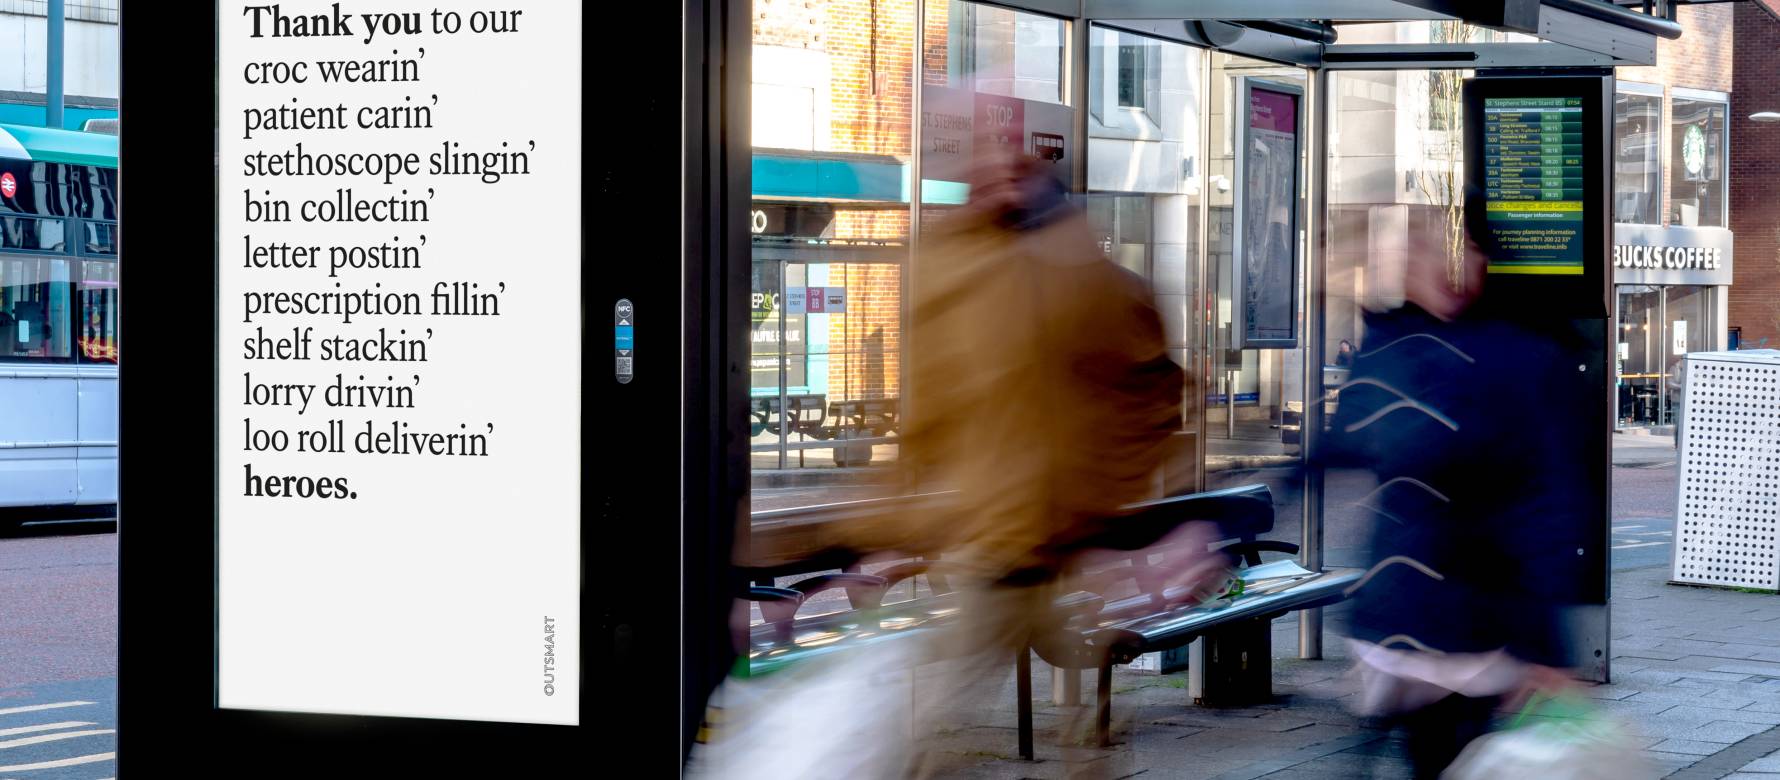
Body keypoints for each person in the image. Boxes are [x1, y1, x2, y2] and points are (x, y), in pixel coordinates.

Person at [1325, 199, 1583, 779]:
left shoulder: (1511, 358)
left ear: (1486, 262)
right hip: (1427, 620)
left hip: (1455, 623)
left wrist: (1546, 647)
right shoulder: (1406, 345)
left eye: (1460, 250)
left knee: (1444, 754)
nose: (1449, 265)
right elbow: (1343, 444)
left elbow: (1538, 508)